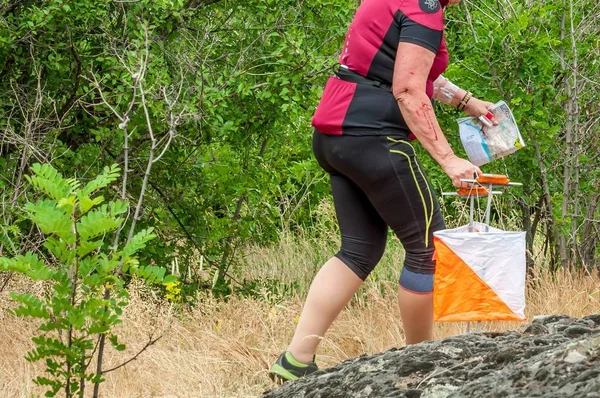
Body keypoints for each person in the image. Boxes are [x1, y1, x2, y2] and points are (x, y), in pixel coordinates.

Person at [269, 0, 496, 382]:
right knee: (428, 249)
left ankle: (295, 360)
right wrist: (449, 159)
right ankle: (422, 367)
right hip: (375, 137)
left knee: (358, 249)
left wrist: (466, 102)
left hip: (336, 135)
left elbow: (404, 66)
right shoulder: (424, 9)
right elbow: (407, 88)